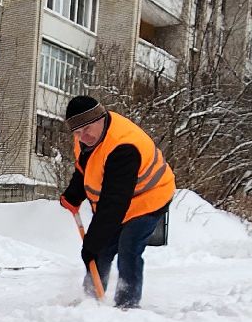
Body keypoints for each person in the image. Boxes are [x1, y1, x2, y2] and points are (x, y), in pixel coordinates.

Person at [58, 95, 176, 309]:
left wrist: (91, 243)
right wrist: (74, 194)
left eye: (86, 129)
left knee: (128, 246)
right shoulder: (86, 138)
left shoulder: (123, 147)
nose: (83, 137)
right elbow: (85, 167)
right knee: (101, 250)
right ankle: (91, 299)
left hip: (149, 197)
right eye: (77, 132)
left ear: (101, 118)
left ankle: (127, 304)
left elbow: (113, 204)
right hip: (119, 200)